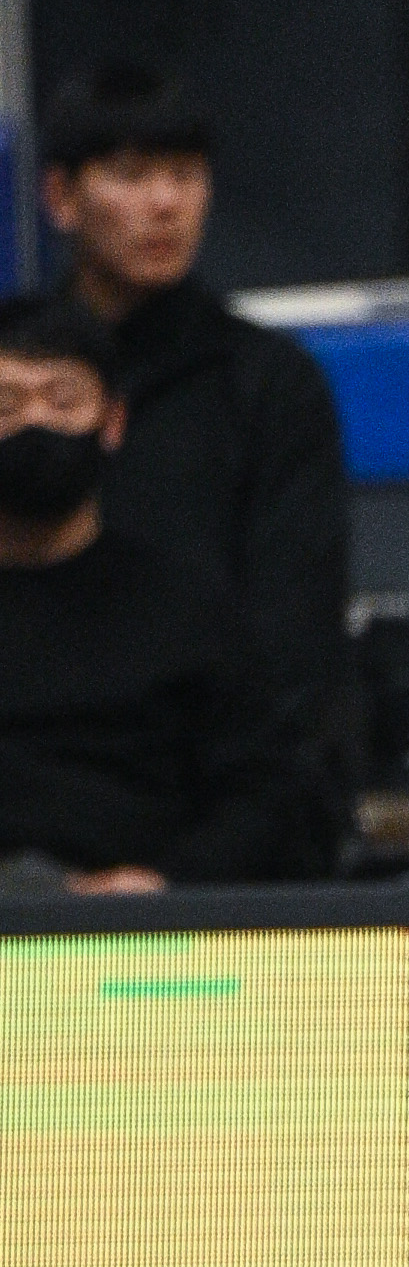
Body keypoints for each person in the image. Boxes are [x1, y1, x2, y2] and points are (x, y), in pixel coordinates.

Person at [40, 61, 348, 878]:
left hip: (215, 826)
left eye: (186, 175)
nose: (166, 204)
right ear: (62, 198)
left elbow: (294, 654)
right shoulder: (23, 380)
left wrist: (186, 870)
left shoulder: (268, 383)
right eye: (132, 176)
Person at [0, 296, 314, 891]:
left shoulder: (185, 607)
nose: (35, 424)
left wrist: (165, 881)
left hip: (143, 937)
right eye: (6, 405)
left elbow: (266, 793)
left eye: (62, 401)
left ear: (112, 423)